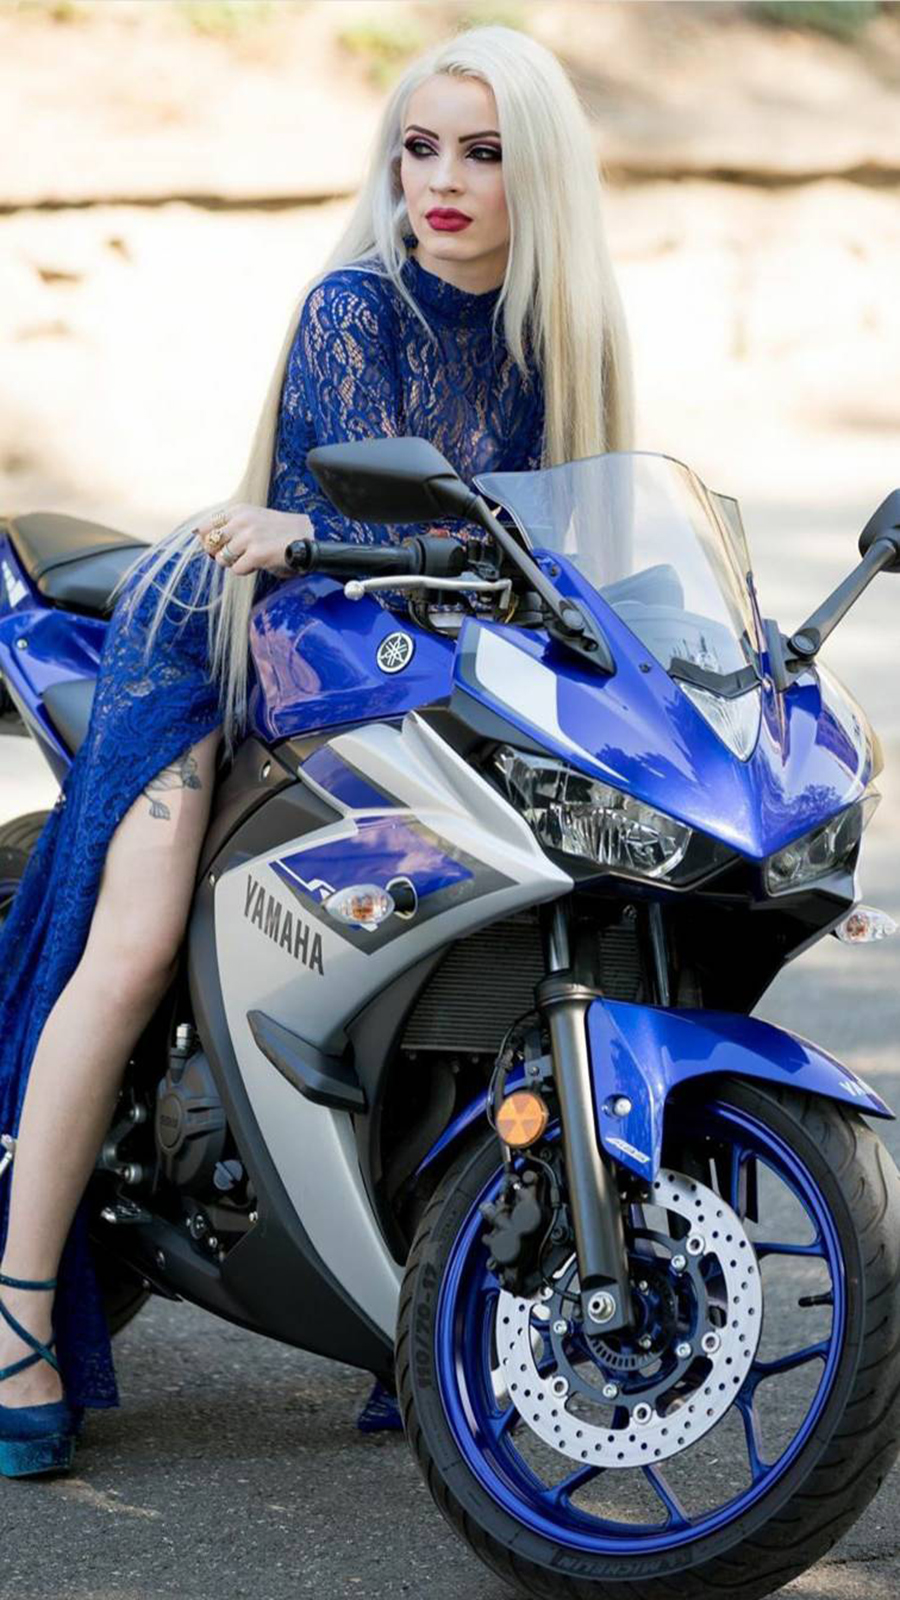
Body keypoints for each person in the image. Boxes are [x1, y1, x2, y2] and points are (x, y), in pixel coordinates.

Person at [0, 21, 633, 1475]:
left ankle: (420, 1300)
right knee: (133, 946)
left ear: (541, 172)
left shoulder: (565, 341)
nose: (443, 182)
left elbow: (577, 546)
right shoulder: (356, 306)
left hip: (411, 667)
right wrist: (317, 534)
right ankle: (17, 1309)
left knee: (493, 926)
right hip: (229, 641)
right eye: (420, 148)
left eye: (483, 153)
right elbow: (345, 531)